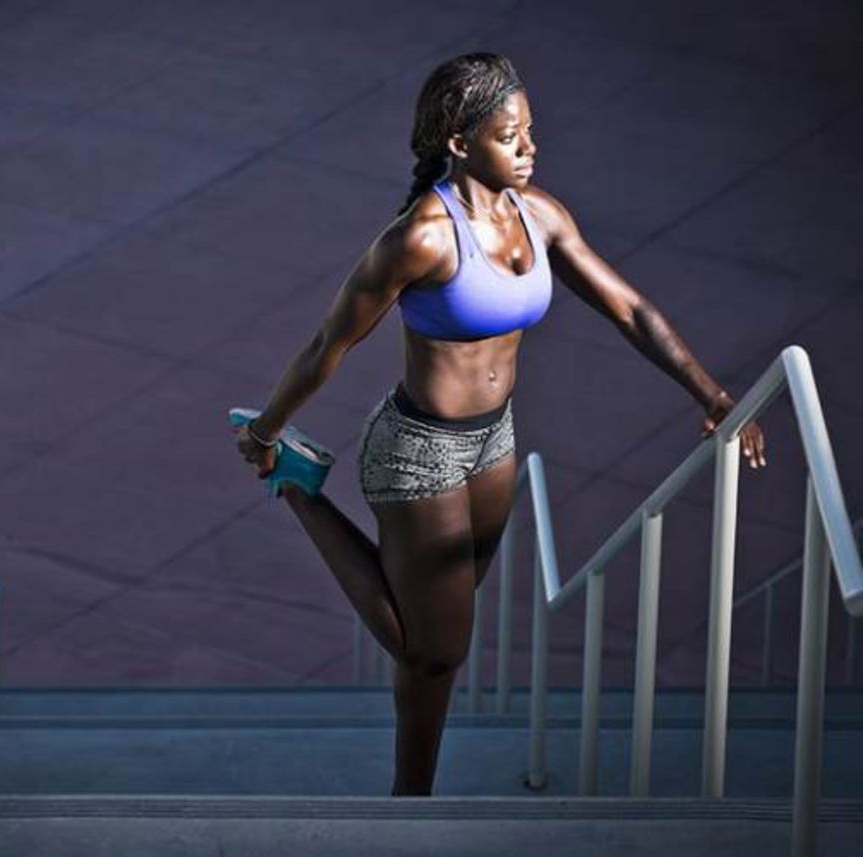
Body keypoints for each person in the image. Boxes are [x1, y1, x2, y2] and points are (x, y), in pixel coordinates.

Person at [230, 52, 766, 796]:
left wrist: (711, 393)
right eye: (510, 136)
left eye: (531, 132)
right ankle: (296, 488)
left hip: (493, 443)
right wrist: (264, 430)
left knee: (439, 632)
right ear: (458, 140)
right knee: (435, 649)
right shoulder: (419, 238)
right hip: (417, 451)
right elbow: (331, 343)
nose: (529, 148)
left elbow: (632, 309)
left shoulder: (539, 215)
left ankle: (411, 788)